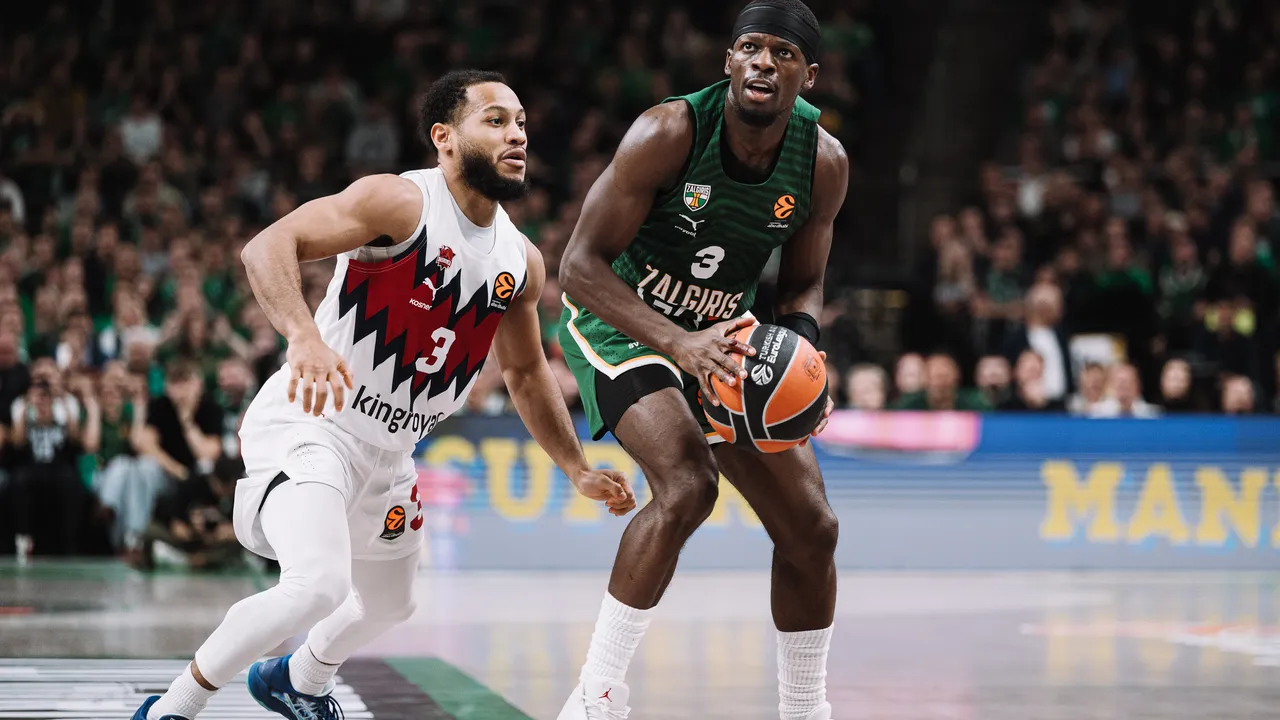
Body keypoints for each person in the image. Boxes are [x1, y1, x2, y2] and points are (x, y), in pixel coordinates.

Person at [133, 69, 637, 720]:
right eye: (495, 121)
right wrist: (302, 336)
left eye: (520, 123)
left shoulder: (521, 260)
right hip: (314, 425)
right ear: (444, 138)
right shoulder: (400, 203)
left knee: (392, 603)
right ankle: (170, 709)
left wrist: (575, 466)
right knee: (316, 586)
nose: (516, 134)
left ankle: (299, 679)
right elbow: (267, 246)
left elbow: (525, 371)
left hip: (391, 454)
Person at [555, 1, 848, 718]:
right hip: (620, 321)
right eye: (751, 47)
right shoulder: (669, 132)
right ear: (729, 61)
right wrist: (677, 342)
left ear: (807, 76)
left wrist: (803, 359)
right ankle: (595, 698)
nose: (763, 62)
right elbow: (579, 267)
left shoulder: (823, 162)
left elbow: (803, 282)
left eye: (783, 53)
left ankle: (804, 710)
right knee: (688, 486)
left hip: (721, 334)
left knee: (812, 529)